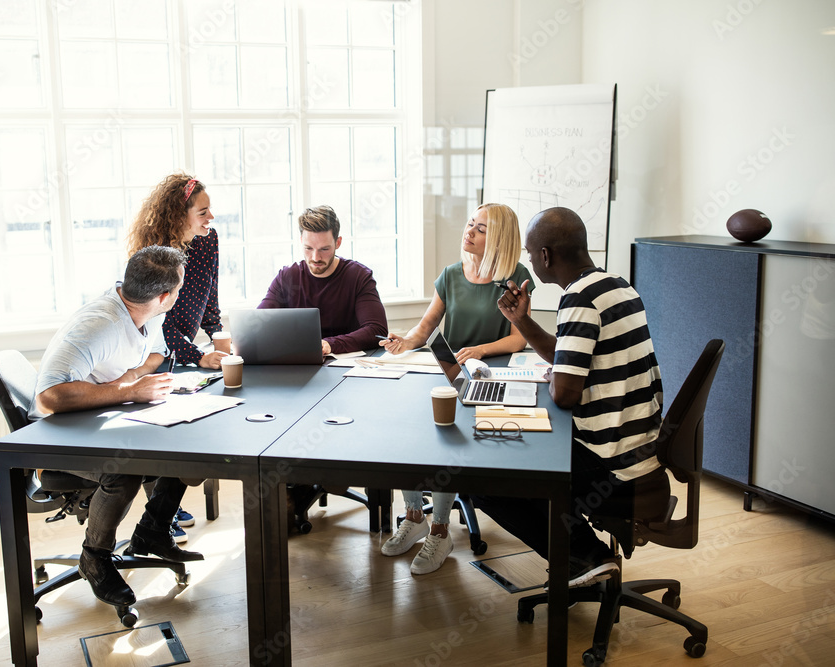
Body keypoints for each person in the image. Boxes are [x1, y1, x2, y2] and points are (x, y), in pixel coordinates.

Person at [472, 206, 664, 588]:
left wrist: (558, 379)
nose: (529, 259)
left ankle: (586, 556)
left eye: (530, 253)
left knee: (485, 476)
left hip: (613, 466)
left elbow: (564, 395)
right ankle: (583, 555)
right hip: (641, 452)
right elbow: (569, 353)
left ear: (545, 256)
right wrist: (522, 322)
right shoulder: (616, 285)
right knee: (512, 451)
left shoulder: (577, 298)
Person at [32, 245, 202, 609]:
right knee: (121, 472)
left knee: (182, 445)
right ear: (165, 296)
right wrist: (126, 391)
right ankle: (94, 557)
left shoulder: (145, 308)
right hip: (56, 434)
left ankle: (152, 533)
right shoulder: (99, 325)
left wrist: (134, 379)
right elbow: (49, 397)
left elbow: (155, 353)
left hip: (106, 417)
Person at [379, 203, 535, 574]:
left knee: (446, 445)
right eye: (470, 224)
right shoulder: (451, 274)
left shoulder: (516, 276)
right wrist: (404, 341)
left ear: (498, 238)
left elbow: (518, 339)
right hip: (449, 373)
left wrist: (480, 349)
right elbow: (426, 327)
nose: (469, 232)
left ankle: (440, 531)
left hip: (491, 378)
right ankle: (415, 516)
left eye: (480, 229)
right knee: (412, 434)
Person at [126, 172, 227, 541]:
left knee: (188, 426)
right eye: (202, 211)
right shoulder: (153, 254)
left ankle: (161, 509)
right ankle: (159, 515)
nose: (210, 217)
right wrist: (197, 355)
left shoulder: (208, 240)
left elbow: (210, 297)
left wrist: (218, 341)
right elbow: (155, 318)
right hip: (156, 350)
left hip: (188, 350)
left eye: (210, 209)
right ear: (178, 215)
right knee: (166, 429)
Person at [258, 205, 388, 355]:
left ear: (338, 243)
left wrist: (330, 344)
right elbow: (259, 324)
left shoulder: (359, 277)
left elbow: (377, 331)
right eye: (308, 248)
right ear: (301, 241)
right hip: (298, 366)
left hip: (347, 367)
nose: (315, 258)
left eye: (324, 249)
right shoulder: (287, 277)